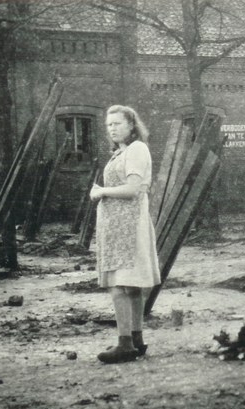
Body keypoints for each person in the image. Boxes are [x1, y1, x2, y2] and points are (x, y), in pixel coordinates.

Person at [90, 105, 161, 364]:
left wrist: (101, 192)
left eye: (118, 123)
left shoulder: (137, 149)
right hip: (118, 224)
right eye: (109, 125)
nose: (112, 128)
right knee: (129, 286)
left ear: (132, 125)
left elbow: (132, 189)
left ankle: (124, 344)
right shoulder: (120, 153)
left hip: (129, 225)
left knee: (120, 285)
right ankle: (136, 340)